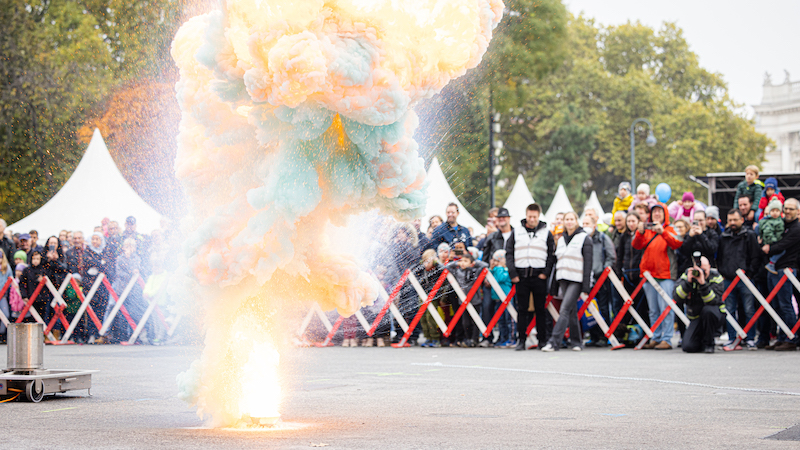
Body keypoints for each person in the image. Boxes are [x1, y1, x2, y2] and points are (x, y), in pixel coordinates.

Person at [505, 203, 555, 351]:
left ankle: (542, 340)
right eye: (529, 216)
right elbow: (509, 253)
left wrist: (545, 273)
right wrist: (512, 273)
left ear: (539, 216)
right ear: (526, 215)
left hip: (539, 276)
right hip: (521, 276)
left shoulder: (546, 233)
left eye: (534, 217)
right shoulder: (517, 231)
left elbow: (551, 256)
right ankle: (521, 340)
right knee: (522, 310)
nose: (532, 219)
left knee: (541, 309)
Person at [634, 203, 682, 350]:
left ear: (665, 214)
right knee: (653, 309)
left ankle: (667, 339)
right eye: (654, 211)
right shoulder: (647, 230)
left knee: (666, 308)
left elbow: (677, 243)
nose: (656, 214)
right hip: (649, 275)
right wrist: (639, 232)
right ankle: (656, 336)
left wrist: (663, 232)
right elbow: (636, 245)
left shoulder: (671, 228)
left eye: (659, 212)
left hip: (665, 274)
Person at [542, 212, 593, 352]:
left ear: (576, 221)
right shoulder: (561, 239)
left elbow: (588, 263)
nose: (569, 222)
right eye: (567, 219)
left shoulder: (584, 238)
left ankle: (554, 342)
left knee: (564, 309)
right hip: (563, 278)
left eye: (572, 219)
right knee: (571, 311)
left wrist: (586, 286)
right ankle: (577, 341)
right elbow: (557, 261)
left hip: (576, 279)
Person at [717, 209, 760, 349]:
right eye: (730, 220)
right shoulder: (723, 237)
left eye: (735, 220)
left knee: (749, 309)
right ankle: (732, 338)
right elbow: (720, 257)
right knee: (729, 309)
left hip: (745, 279)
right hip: (728, 279)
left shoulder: (750, 235)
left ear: (741, 220)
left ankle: (750, 337)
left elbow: (755, 256)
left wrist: (749, 273)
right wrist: (723, 272)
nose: (732, 223)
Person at [762, 198, 800, 351]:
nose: (788, 211)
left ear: (798, 211)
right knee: (776, 305)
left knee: (785, 304)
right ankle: (782, 337)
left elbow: (782, 245)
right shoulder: (780, 223)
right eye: (786, 208)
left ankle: (791, 338)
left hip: (787, 270)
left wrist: (769, 248)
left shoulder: (797, 228)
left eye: (791, 209)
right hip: (774, 269)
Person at [675, 256, 726, 353]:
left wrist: (703, 284)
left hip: (715, 315)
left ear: (710, 267)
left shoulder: (715, 276)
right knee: (688, 347)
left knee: (708, 311)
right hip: (696, 317)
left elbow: (712, 300)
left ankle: (709, 344)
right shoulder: (688, 274)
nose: (701, 272)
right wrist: (688, 283)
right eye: (699, 270)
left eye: (704, 270)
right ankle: (701, 341)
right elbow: (677, 297)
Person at [479, 207, 514, 346]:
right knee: (487, 306)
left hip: (508, 279)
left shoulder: (516, 234)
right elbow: (485, 258)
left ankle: (507, 337)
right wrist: (486, 276)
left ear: (509, 218)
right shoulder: (492, 237)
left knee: (507, 310)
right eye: (499, 218)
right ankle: (487, 337)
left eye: (504, 218)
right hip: (492, 277)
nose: (502, 220)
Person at [583, 215, 615, 347]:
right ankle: (594, 335)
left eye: (587, 223)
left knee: (603, 308)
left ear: (594, 224)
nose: (585, 226)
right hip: (587, 278)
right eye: (583, 223)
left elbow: (611, 256)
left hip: (600, 278)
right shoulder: (581, 238)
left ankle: (604, 335)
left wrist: (603, 271)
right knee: (589, 309)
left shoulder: (602, 238)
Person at [445, 251, 488, 347]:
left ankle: (474, 339)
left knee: (475, 321)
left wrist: (474, 263)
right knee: (465, 322)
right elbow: (447, 267)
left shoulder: (475, 271)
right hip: (463, 301)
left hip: (475, 300)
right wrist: (457, 262)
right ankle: (468, 338)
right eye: (462, 261)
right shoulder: (457, 271)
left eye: (465, 261)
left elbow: (485, 265)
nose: (463, 263)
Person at [415, 249, 445, 348]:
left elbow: (444, 276)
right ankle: (427, 337)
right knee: (423, 317)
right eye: (424, 261)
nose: (426, 264)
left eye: (428, 261)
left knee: (430, 317)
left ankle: (435, 338)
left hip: (433, 295)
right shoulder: (420, 269)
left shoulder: (438, 269)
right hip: (422, 294)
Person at [488, 249, 514, 348]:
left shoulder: (505, 270)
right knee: (501, 320)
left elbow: (501, 278)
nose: (495, 263)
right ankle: (503, 338)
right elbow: (489, 279)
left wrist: (499, 267)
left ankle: (511, 339)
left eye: (497, 261)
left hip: (507, 298)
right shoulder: (495, 270)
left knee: (509, 319)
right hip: (498, 299)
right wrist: (491, 268)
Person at [760, 199, 785, 275]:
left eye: (777, 211)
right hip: (773, 241)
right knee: (782, 251)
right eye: (773, 211)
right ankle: (772, 263)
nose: (775, 213)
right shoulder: (768, 222)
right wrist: (774, 241)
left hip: (773, 241)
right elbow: (767, 232)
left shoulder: (780, 220)